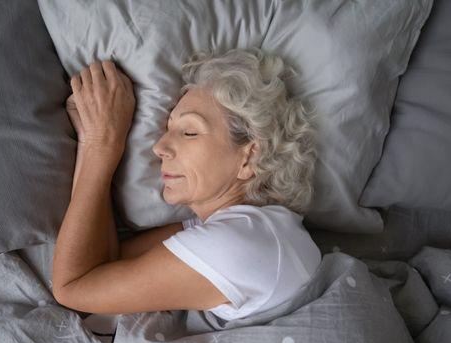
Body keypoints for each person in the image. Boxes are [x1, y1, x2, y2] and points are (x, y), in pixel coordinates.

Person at [52, 47, 322, 322]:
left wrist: (101, 145)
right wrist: (92, 141)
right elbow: (105, 266)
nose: (159, 147)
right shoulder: (249, 229)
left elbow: (74, 288)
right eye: (168, 130)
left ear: (249, 157)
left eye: (189, 132)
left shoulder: (235, 245)